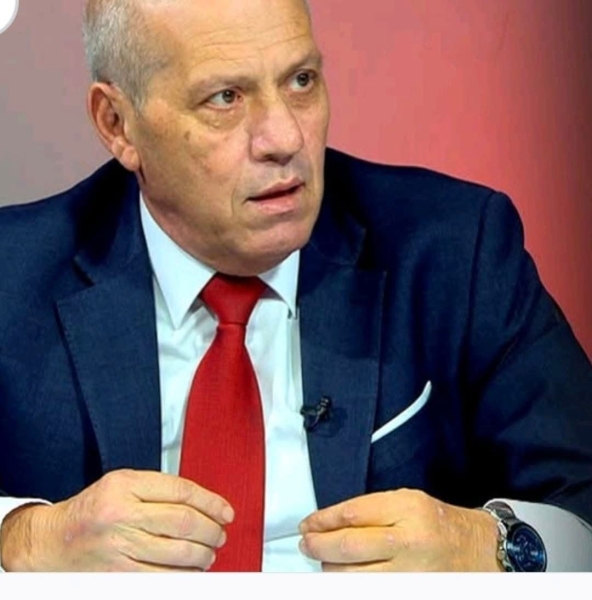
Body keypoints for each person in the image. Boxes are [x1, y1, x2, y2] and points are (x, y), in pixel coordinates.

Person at [0, 0, 591, 572]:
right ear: (118, 124)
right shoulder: (13, 275)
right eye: (225, 98)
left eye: (301, 81)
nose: (284, 137)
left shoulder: (451, 251)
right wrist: (23, 537)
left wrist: (486, 547)